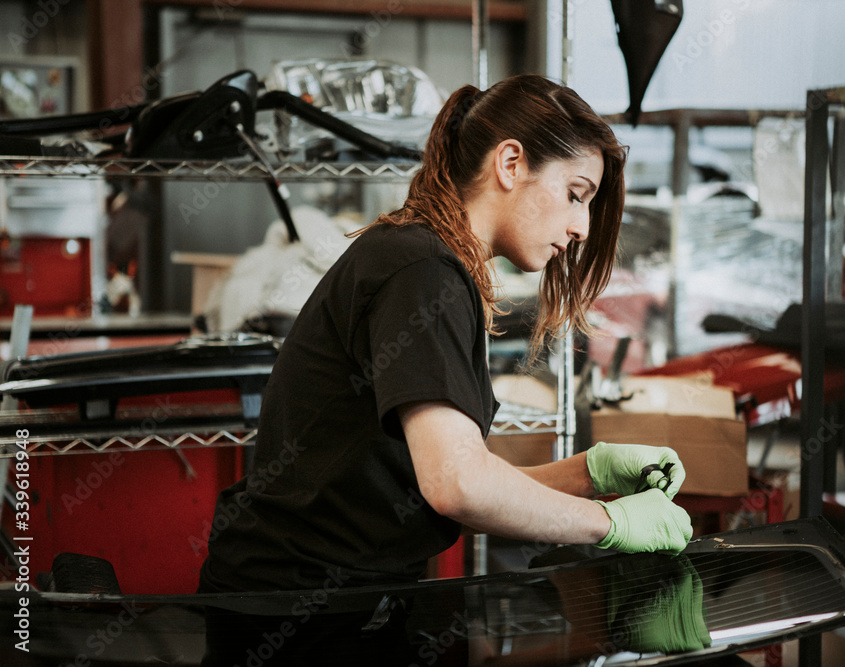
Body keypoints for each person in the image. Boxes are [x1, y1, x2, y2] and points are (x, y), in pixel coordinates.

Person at [197, 74, 692, 600]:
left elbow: (460, 477)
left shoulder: (431, 260)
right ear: (509, 163)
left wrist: (589, 473)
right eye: (574, 195)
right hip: (294, 605)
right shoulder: (423, 269)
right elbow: (457, 486)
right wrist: (607, 523)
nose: (582, 228)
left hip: (335, 591)